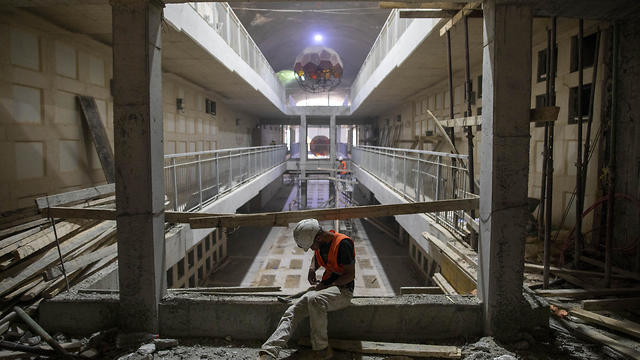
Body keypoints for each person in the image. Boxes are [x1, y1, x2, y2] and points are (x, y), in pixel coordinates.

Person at [258, 218, 356, 360]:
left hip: (343, 291)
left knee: (314, 299)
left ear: (319, 237)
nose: (311, 249)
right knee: (292, 311)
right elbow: (316, 258)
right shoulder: (322, 243)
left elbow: (350, 275)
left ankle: (321, 350)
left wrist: (326, 286)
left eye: (311, 246)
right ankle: (269, 350)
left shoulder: (343, 244)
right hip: (325, 290)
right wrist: (312, 269)